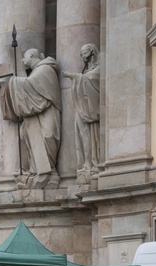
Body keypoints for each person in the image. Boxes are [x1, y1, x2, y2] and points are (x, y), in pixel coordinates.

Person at [0, 48, 61, 187]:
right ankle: (34, 171)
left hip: (47, 115)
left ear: (32, 55)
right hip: (38, 117)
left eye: (25, 57)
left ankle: (48, 172)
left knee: (48, 136)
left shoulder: (45, 69)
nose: (22, 60)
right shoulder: (37, 71)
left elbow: (30, 86)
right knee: (24, 135)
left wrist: (12, 82)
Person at [61, 44, 100, 173]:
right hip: (81, 106)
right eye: (81, 53)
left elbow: (93, 79)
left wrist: (73, 76)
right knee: (80, 134)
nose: (83, 55)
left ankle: (93, 162)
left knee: (89, 134)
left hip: (90, 108)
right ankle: (85, 162)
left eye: (85, 52)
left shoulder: (98, 68)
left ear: (92, 52)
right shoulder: (86, 71)